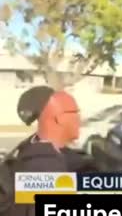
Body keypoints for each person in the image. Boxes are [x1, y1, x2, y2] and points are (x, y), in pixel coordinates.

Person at [4, 86, 83, 216]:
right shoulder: (48, 169)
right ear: (59, 118)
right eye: (75, 112)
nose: (79, 119)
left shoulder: (29, 147)